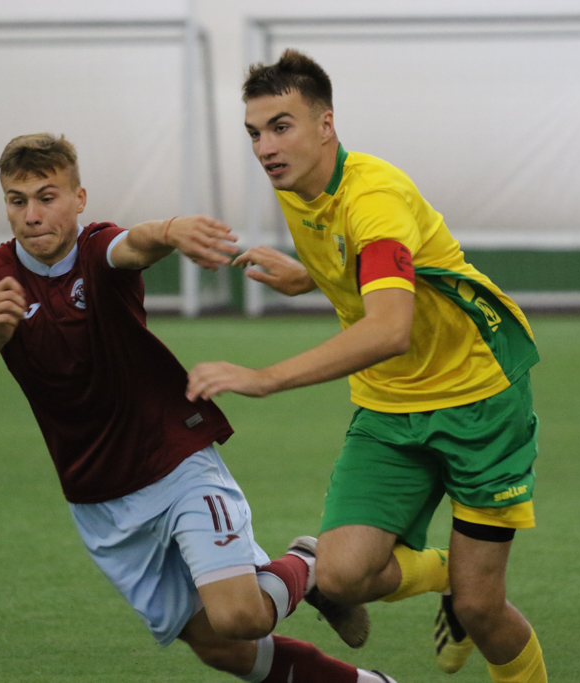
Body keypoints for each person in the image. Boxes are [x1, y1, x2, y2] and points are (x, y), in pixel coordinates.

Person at [0, 132, 396, 683]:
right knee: (222, 649)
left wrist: (172, 230)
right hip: (97, 497)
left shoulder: (96, 248)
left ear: (78, 199)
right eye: (18, 200)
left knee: (239, 616)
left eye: (47, 197)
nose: (32, 214)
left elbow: (134, 244)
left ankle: (310, 564)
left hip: (174, 462)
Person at [187, 50, 548, 683]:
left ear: (326, 124)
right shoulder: (300, 186)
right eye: (255, 133)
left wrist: (265, 378)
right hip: (389, 408)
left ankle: (465, 593)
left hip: (479, 403)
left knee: (481, 608)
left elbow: (388, 328)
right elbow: (358, 262)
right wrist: (306, 278)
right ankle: (449, 575)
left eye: (281, 126)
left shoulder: (374, 197)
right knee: (339, 576)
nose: (266, 147)